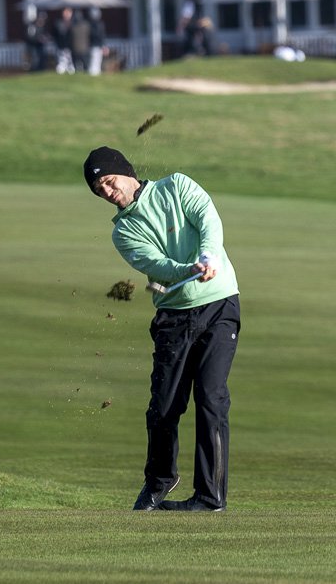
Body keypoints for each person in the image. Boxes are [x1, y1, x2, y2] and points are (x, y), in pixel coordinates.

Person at [84, 146, 239, 513]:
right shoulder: (123, 231)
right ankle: (160, 479)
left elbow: (208, 219)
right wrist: (189, 269)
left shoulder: (176, 186)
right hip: (174, 315)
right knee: (164, 408)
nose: (107, 192)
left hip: (220, 304)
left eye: (108, 181)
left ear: (125, 172)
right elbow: (158, 265)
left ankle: (210, 497)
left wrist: (208, 255)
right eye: (98, 190)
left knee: (212, 399)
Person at [52, 7, 76, 74]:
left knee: (70, 63)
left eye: (68, 12)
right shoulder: (59, 23)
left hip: (71, 47)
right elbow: (55, 34)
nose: (66, 14)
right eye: (65, 12)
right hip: (61, 46)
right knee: (62, 62)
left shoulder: (74, 23)